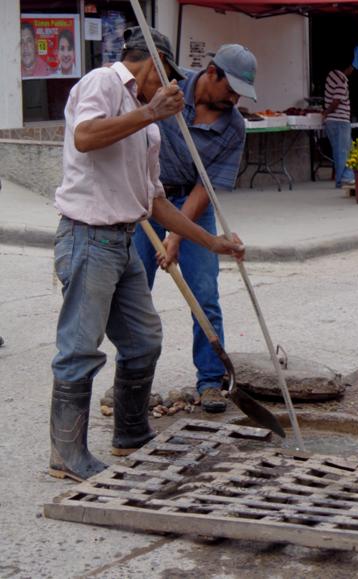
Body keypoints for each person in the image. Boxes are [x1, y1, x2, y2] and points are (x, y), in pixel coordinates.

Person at [49, 26, 245, 482]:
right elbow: (85, 137)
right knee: (79, 348)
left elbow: (154, 201)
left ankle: (130, 433)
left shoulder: (148, 122)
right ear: (152, 62)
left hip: (121, 239)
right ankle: (65, 454)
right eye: (165, 76)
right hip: (87, 236)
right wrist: (150, 113)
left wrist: (210, 241)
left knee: (143, 339)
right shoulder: (103, 83)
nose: (170, 87)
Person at [133, 44, 257, 414]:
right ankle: (133, 385)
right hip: (146, 201)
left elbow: (205, 188)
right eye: (231, 88)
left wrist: (176, 236)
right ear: (212, 73)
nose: (235, 99)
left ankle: (209, 381)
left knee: (204, 293)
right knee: (134, 296)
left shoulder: (233, 126)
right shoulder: (168, 84)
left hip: (191, 204)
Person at [323, 60, 355, 188]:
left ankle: (344, 178)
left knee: (343, 150)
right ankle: (343, 179)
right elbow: (336, 101)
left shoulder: (331, 75)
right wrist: (326, 112)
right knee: (344, 151)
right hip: (340, 121)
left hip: (334, 121)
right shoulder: (341, 79)